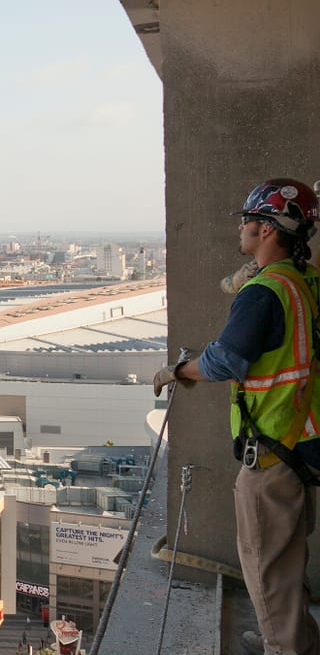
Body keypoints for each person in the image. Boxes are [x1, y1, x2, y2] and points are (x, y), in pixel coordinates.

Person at [154, 178, 320, 655]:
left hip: (269, 453)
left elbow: (226, 361)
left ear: (268, 230)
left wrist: (178, 370)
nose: (242, 228)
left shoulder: (265, 292)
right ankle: (298, 640)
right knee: (288, 561)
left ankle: (284, 648)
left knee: (267, 567)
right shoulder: (304, 281)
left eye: (250, 220)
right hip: (299, 441)